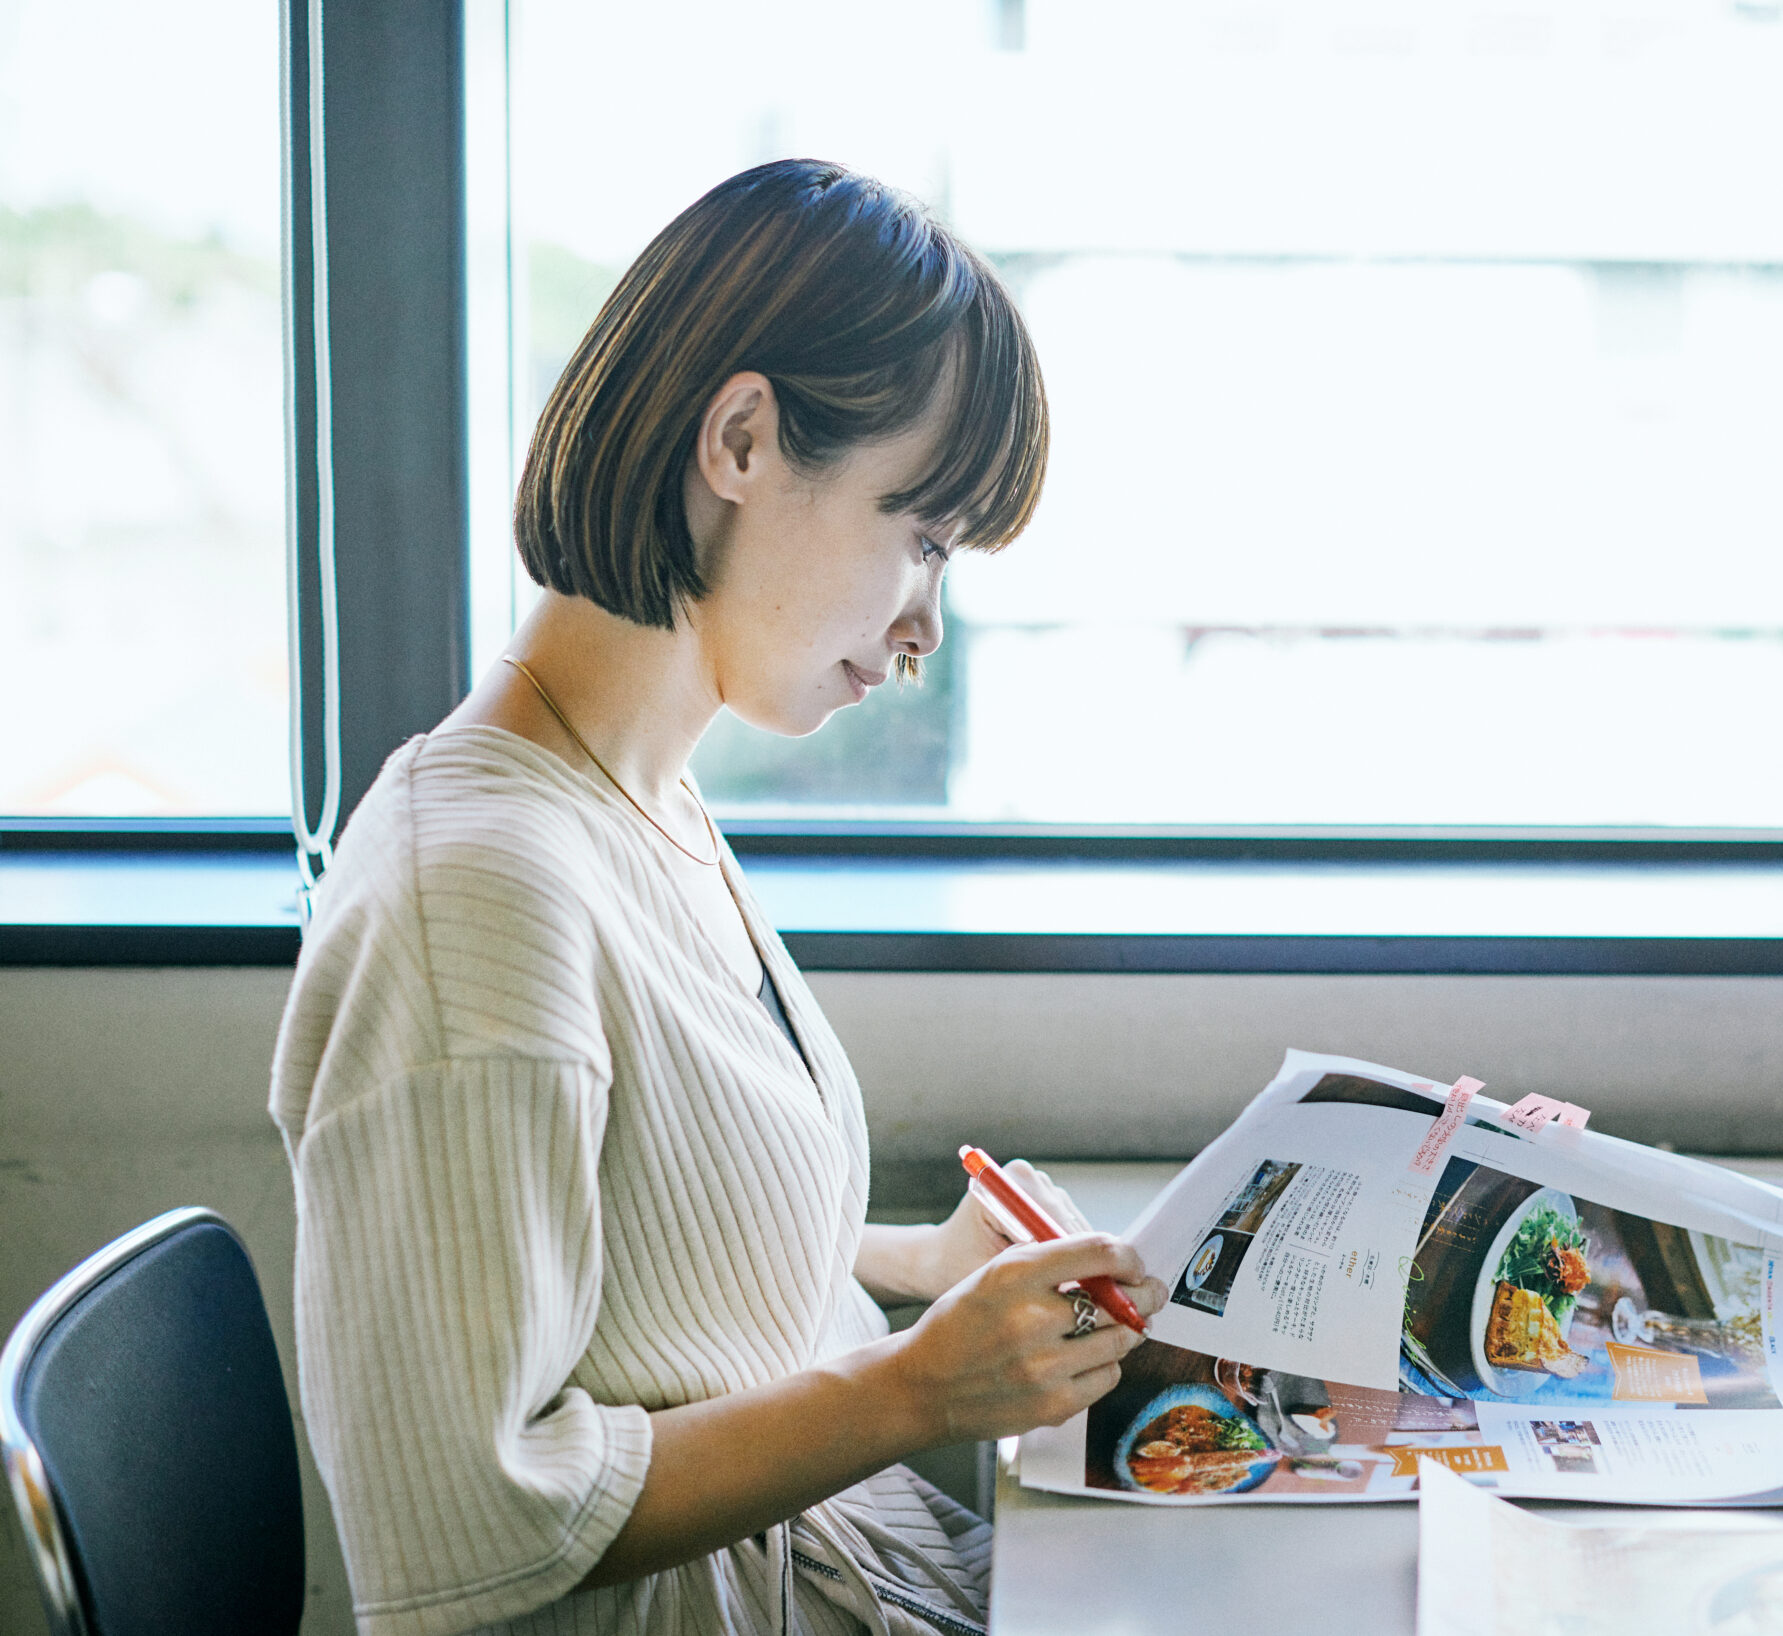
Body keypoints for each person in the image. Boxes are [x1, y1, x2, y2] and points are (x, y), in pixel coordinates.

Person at [268, 159, 1167, 1636]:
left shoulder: (641, 799)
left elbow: (635, 1273)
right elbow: (469, 1520)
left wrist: (919, 1273)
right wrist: (915, 1385)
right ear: (742, 441)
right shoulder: (481, 893)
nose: (925, 622)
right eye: (921, 534)